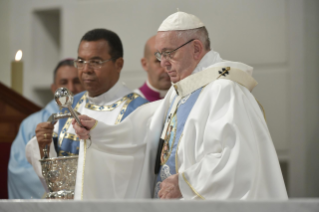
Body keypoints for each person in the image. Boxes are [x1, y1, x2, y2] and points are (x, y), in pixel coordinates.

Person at [73, 11, 288, 200]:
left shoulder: (225, 90)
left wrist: (185, 183)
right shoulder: (181, 92)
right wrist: (100, 131)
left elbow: (239, 161)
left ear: (196, 48)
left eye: (169, 53)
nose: (163, 62)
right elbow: (143, 133)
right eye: (159, 55)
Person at [25, 29, 148, 198]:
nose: (86, 69)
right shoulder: (70, 104)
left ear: (118, 64)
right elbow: (56, 179)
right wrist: (44, 146)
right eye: (81, 61)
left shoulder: (138, 110)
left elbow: (137, 175)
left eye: (96, 62)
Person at [8, 59, 84, 199]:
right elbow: (18, 170)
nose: (71, 88)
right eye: (63, 83)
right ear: (54, 88)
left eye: (76, 81)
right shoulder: (31, 124)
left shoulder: (90, 121)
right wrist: (61, 187)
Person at [135, 35, 171, 102]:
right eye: (159, 61)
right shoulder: (132, 105)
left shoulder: (186, 99)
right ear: (145, 64)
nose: (166, 69)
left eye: (170, 60)